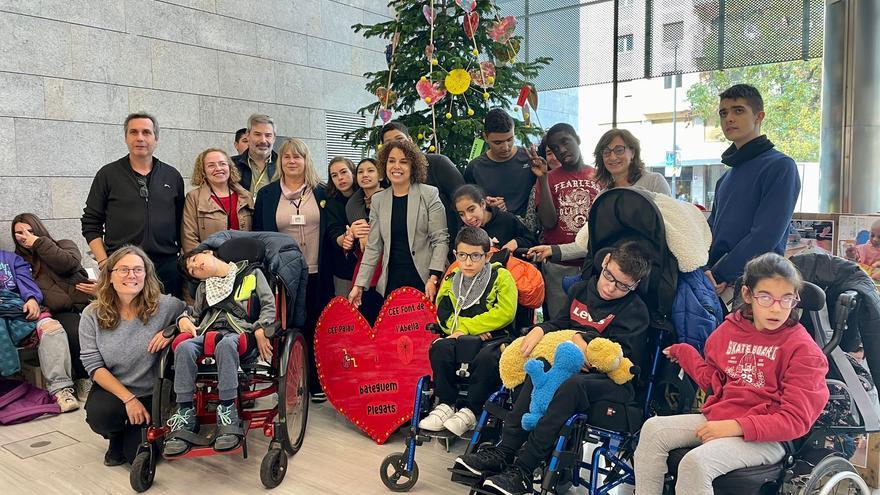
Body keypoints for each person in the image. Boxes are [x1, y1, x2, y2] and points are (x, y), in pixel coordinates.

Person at [455, 241, 651, 495]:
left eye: (622, 285)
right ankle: (505, 450)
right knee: (538, 367)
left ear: (634, 285)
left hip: (611, 380)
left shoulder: (636, 311)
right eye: (609, 276)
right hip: (568, 363)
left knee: (572, 386)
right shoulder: (581, 289)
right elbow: (560, 322)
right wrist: (541, 328)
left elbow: (622, 356)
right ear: (605, 262)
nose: (610, 287)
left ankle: (525, 468)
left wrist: (584, 341)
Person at [634, 253, 829, 494]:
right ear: (748, 295)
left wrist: (734, 426)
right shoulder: (729, 330)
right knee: (653, 430)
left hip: (769, 438)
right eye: (766, 297)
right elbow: (713, 382)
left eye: (786, 299)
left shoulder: (803, 349)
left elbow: (795, 420)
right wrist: (686, 353)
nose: (777, 308)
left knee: (696, 463)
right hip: (722, 417)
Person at [162, 247, 275, 456]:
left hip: (240, 331)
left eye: (195, 260)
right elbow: (195, 316)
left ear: (209, 252)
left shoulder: (252, 274)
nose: (196, 267)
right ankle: (185, 411)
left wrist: (261, 327)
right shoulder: (204, 289)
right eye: (193, 271)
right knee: (185, 347)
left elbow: (269, 304)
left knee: (225, 344)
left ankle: (227, 409)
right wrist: (183, 319)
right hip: (209, 333)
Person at [80, 246, 185, 466]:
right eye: (124, 270)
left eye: (138, 270)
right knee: (101, 415)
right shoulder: (92, 315)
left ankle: (134, 434)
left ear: (146, 275)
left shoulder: (165, 305)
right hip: (116, 391)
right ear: (109, 276)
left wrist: (174, 328)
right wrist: (129, 399)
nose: (132, 275)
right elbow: (93, 365)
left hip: (154, 393)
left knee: (136, 457)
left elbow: (193, 315)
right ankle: (116, 436)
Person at [420, 227, 518, 436]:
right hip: (458, 337)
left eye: (475, 256)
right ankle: (445, 404)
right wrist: (462, 333)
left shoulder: (502, 276)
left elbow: (505, 312)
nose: (468, 262)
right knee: (441, 348)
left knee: (487, 358)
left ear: (487, 255)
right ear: (456, 255)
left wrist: (467, 329)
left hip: (493, 336)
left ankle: (472, 411)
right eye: (462, 255)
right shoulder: (452, 278)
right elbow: (443, 313)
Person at [706, 84, 801, 296]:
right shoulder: (725, 178)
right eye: (724, 113)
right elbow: (711, 231)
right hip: (716, 284)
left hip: (759, 283)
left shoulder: (781, 166)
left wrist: (720, 273)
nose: (729, 118)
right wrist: (707, 271)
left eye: (738, 110)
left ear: (759, 116)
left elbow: (766, 236)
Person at [254, 138, 329, 401]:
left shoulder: (321, 191)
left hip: (318, 269)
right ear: (280, 162)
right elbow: (259, 235)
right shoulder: (267, 194)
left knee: (317, 325)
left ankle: (317, 382)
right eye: (287, 157)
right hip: (282, 275)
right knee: (287, 325)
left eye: (298, 157)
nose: (292, 161)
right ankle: (288, 381)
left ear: (306, 160)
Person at [82, 112, 185, 298]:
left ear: (156, 138)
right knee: (125, 322)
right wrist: (104, 262)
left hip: (166, 268)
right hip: (123, 268)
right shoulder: (108, 175)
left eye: (146, 132)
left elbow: (181, 223)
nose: (140, 138)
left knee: (168, 322)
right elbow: (90, 223)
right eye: (133, 132)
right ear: (126, 138)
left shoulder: (172, 176)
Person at [348, 139, 449, 308]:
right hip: (392, 282)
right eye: (391, 161)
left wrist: (434, 277)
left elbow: (441, 240)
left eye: (403, 162)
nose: (396, 166)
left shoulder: (429, 194)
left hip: (426, 281)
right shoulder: (378, 200)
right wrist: (359, 285)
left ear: (413, 166)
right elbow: (373, 247)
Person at [13, 213, 95, 398]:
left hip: (86, 302)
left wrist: (38, 243)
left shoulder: (64, 245)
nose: (24, 235)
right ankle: (84, 380)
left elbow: (68, 264)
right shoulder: (20, 261)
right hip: (58, 311)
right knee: (75, 331)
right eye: (19, 232)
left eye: (29, 230)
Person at [527, 124, 603, 319]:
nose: (562, 150)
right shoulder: (548, 179)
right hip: (558, 263)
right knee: (559, 320)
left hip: (593, 262)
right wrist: (543, 180)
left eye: (565, 142)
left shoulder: (599, 176)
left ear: (577, 139)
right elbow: (548, 222)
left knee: (591, 320)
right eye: (554, 148)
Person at [0, 244, 78, 412]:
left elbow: (27, 283)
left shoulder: (11, 259)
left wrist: (32, 299)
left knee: (52, 329)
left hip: (19, 311)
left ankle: (61, 390)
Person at [380, 121, 464, 244]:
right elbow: (363, 196)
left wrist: (462, 244)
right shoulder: (388, 174)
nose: (395, 145)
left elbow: (464, 199)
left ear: (410, 140)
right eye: (389, 143)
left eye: (399, 139)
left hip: (449, 245)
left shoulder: (437, 163)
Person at [464, 109, 536, 218]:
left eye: (510, 139)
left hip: (529, 229)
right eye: (498, 142)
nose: (506, 147)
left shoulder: (529, 158)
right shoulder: (474, 168)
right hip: (492, 230)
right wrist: (488, 207)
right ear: (485, 137)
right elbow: (469, 207)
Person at [181, 148, 255, 254]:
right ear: (203, 171)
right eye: (211, 165)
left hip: (245, 260)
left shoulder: (246, 196)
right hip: (210, 262)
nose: (218, 168)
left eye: (222, 164)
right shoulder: (194, 198)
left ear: (229, 167)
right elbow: (189, 238)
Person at [346, 157, 386, 324]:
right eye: (360, 172)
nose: (365, 175)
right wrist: (351, 235)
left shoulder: (389, 200)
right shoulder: (354, 206)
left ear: (381, 176)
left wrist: (369, 232)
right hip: (364, 271)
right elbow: (351, 245)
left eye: (370, 170)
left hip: (385, 269)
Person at [454, 185, 535, 252]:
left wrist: (516, 242)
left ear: (482, 204)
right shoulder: (465, 232)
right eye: (462, 214)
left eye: (471, 210)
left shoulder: (506, 219)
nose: (468, 218)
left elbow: (532, 241)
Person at [593, 128, 671, 195]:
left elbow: (670, 212)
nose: (612, 157)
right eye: (606, 152)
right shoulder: (603, 196)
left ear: (633, 152)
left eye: (619, 150)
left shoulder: (654, 182)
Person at [324, 156, 359, 296]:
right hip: (344, 269)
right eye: (334, 175)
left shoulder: (367, 195)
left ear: (353, 172)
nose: (340, 178)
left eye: (344, 172)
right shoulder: (331, 202)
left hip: (371, 268)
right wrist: (346, 237)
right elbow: (334, 234)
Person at [232, 114, 278, 197]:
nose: (263, 140)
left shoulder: (283, 165)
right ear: (248, 136)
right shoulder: (231, 165)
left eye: (268, 135)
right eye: (257, 134)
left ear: (274, 138)